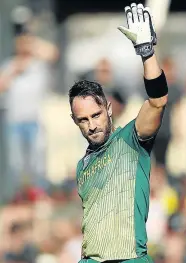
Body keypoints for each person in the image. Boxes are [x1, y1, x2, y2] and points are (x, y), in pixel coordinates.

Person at [68, 3, 168, 263]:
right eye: (83, 119)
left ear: (109, 109)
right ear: (74, 121)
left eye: (96, 115)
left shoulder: (131, 140)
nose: (91, 125)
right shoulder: (83, 166)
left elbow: (158, 100)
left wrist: (147, 53)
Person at [0, 22, 58, 196]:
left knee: (37, 163)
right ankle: (18, 197)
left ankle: (38, 195)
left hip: (35, 119)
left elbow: (53, 53)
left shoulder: (38, 64)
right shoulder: (9, 65)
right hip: (14, 120)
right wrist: (15, 69)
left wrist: (31, 43)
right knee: (16, 164)